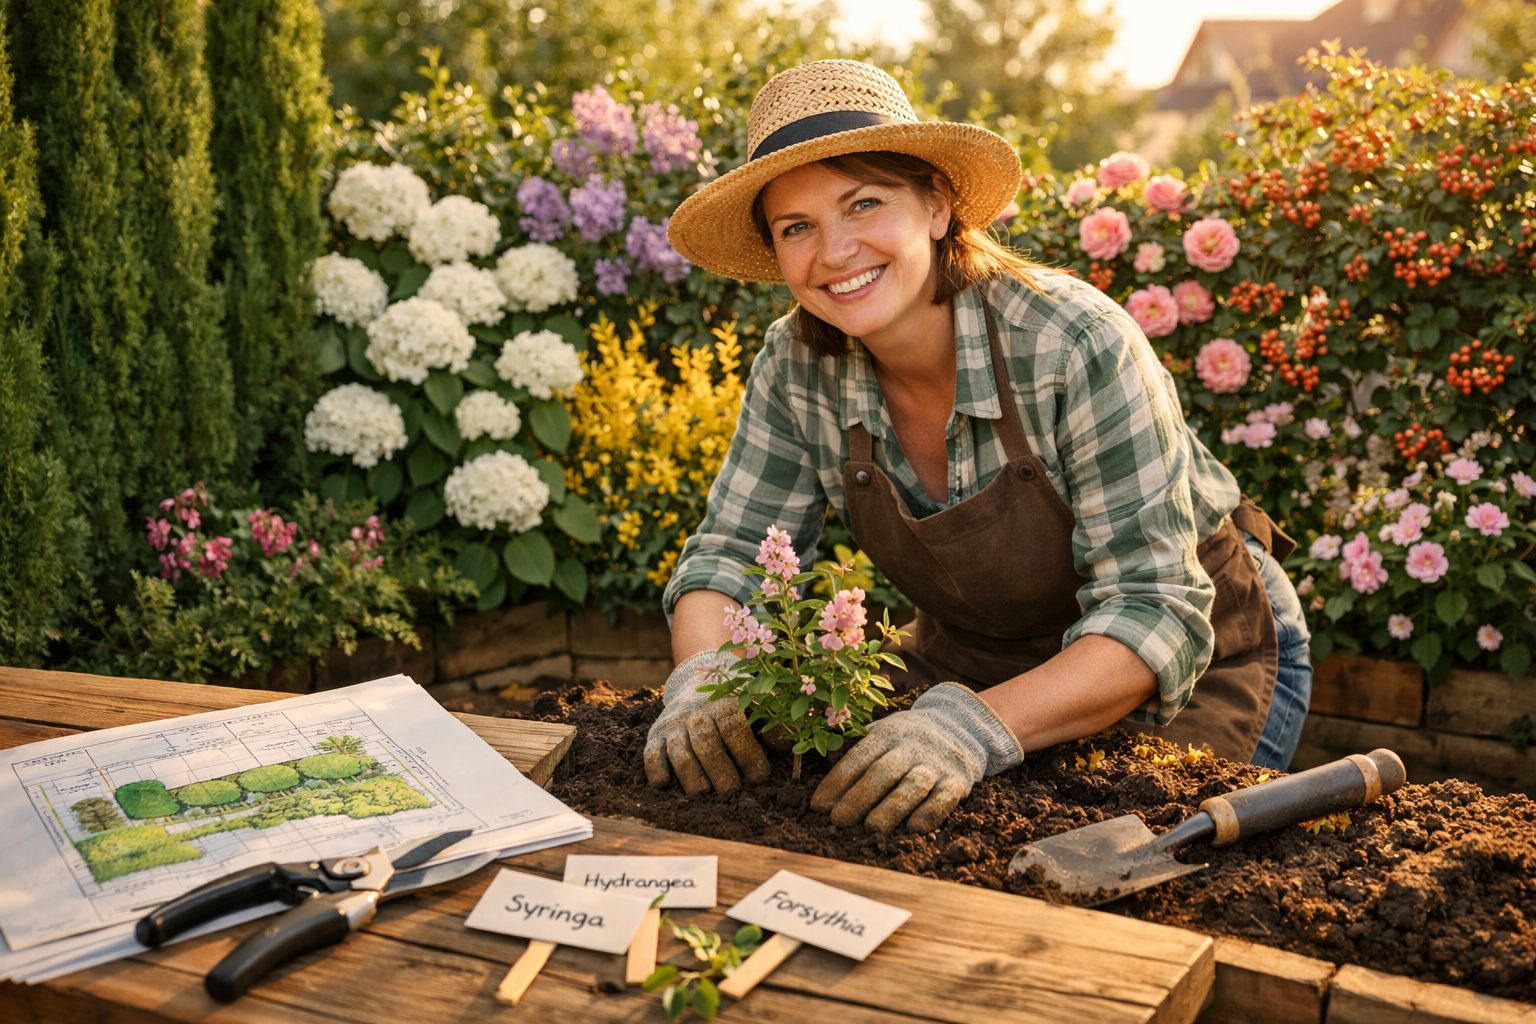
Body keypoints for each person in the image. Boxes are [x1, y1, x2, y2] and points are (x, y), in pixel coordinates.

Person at [644, 59, 1312, 834]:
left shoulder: (1071, 344)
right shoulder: (797, 365)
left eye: (863, 204)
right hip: (975, 663)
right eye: (798, 228)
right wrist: (701, 679)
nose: (833, 253)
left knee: (1115, 874)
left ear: (936, 206)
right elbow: (730, 557)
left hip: (1199, 661)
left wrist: (965, 729)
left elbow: (1150, 609)